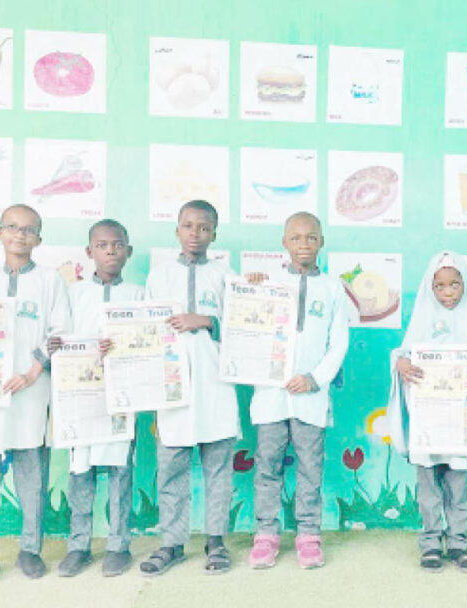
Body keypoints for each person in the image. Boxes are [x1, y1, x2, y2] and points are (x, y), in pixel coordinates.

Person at [0, 204, 70, 585]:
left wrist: (33, 371)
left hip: (30, 388)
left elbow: (59, 333)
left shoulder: (49, 280)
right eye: (12, 227)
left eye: (29, 230)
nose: (20, 235)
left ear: (38, 239)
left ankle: (30, 549)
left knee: (32, 470)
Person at [142, 200, 240, 576]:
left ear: (214, 233)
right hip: (173, 384)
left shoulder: (226, 275)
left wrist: (206, 320)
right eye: (188, 226)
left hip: (215, 382)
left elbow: (247, 329)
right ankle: (172, 543)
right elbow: (147, 328)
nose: (195, 234)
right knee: (171, 467)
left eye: (203, 227)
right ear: (177, 230)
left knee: (218, 467)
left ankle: (216, 541)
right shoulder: (159, 275)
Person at [248, 212, 349, 570]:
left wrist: (314, 378)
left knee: (310, 467)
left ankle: (308, 535)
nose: (303, 244)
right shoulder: (269, 284)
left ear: (321, 241)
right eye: (296, 238)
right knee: (267, 466)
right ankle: (265, 535)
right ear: (284, 242)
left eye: (311, 237)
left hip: (311, 397)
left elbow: (338, 344)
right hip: (271, 395)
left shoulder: (334, 288)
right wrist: (251, 290)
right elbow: (249, 329)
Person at [388, 251, 467, 573]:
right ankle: (431, 543)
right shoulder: (422, 317)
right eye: (440, 286)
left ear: (465, 284)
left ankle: (460, 543)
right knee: (429, 487)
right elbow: (403, 353)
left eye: (454, 284)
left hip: (463, 422)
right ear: (430, 288)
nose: (448, 292)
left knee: (462, 484)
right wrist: (403, 363)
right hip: (429, 423)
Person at [50, 219, 144, 578]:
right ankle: (79, 545)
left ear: (128, 251)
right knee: (81, 472)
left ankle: (119, 545)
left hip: (122, 394)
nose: (110, 252)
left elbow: (146, 340)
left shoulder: (137, 294)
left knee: (121, 469)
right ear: (89, 252)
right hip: (80, 393)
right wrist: (63, 346)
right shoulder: (72, 293)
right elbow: (59, 337)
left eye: (117, 245)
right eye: (102, 246)